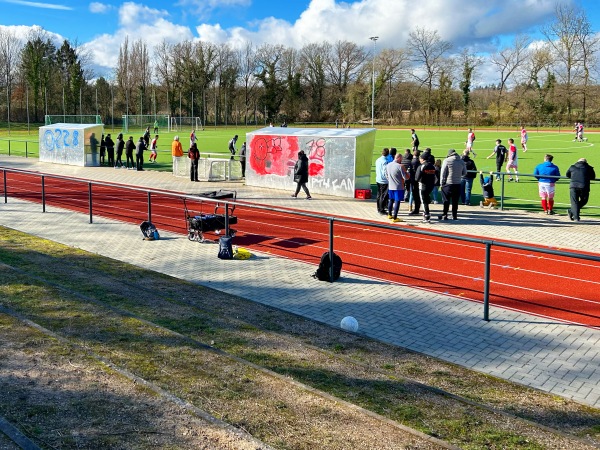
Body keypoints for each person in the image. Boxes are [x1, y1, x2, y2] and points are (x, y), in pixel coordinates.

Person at [438, 149, 466, 221]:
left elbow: (443, 173)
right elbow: (464, 173)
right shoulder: (461, 161)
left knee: (446, 200)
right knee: (455, 201)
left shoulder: (447, 160)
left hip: (448, 183)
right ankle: (454, 215)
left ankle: (445, 214)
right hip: (457, 183)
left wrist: (441, 183)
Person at [386, 153, 409, 223]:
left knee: (391, 200)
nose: (401, 160)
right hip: (398, 187)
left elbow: (386, 175)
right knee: (397, 201)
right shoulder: (400, 166)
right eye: (401, 159)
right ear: (399, 158)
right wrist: (408, 173)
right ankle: (395, 217)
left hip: (391, 186)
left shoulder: (388, 165)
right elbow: (405, 177)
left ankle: (389, 214)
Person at [415, 152, 436, 223]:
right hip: (431, 186)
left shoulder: (421, 166)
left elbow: (417, 177)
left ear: (422, 159)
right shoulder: (432, 166)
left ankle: (426, 216)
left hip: (423, 185)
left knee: (423, 201)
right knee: (426, 199)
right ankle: (426, 214)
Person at [375, 148, 389, 215]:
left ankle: (378, 208)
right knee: (383, 195)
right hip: (383, 180)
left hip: (378, 179)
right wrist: (388, 178)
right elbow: (385, 171)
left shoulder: (378, 160)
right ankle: (381, 209)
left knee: (379, 194)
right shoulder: (385, 161)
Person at [408, 149, 421, 215]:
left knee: (415, 195)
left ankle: (416, 209)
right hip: (419, 181)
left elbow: (411, 172)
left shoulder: (412, 162)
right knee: (418, 195)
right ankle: (417, 208)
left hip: (414, 181)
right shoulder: (420, 161)